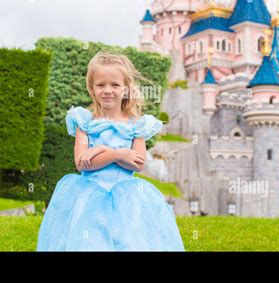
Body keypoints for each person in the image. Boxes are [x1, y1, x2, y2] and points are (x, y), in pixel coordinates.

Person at [36, 50, 185, 251]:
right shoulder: (85, 122)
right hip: (90, 195)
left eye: (115, 85)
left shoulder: (136, 125)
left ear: (125, 89)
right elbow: (82, 163)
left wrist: (107, 151)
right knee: (92, 241)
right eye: (101, 85)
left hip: (127, 198)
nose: (108, 90)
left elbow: (138, 163)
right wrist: (119, 154)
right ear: (92, 88)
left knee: (128, 242)